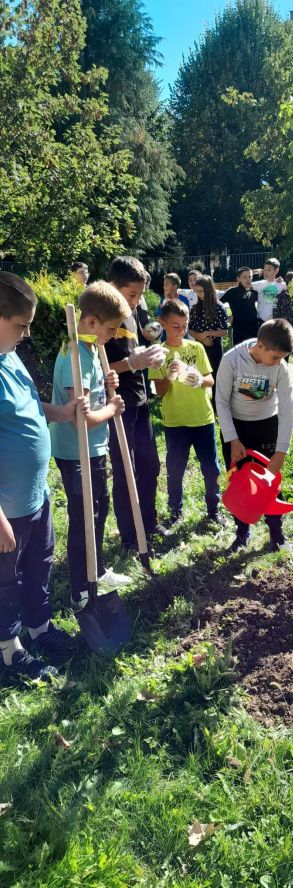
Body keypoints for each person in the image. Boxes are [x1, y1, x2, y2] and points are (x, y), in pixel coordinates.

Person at [0, 272, 87, 681]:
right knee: (5, 580)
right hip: (7, 507)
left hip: (35, 495)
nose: (27, 333)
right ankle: (9, 651)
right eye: (21, 325)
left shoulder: (10, 356)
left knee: (40, 563)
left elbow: (31, 405)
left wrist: (62, 413)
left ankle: (39, 627)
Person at [50, 281, 132, 610]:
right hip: (77, 450)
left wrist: (106, 381)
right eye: (111, 329)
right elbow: (79, 419)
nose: (113, 336)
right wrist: (112, 409)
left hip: (94, 448)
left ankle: (96, 571)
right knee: (84, 516)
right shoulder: (77, 355)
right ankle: (80, 587)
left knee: (99, 508)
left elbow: (93, 389)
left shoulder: (90, 350)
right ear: (92, 322)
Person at [216, 318, 293, 553]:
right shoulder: (231, 360)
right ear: (260, 346)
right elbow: (221, 402)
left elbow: (287, 409)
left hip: (267, 426)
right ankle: (242, 532)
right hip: (237, 430)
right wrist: (232, 439)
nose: (278, 362)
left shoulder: (280, 367)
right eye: (275, 357)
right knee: (239, 482)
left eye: (282, 358)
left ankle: (277, 534)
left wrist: (281, 451)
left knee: (270, 483)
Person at [106, 256, 167, 551]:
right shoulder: (101, 317)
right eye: (132, 295)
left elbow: (138, 348)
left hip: (141, 400)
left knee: (150, 465)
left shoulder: (132, 312)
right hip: (118, 405)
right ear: (112, 286)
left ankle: (149, 522)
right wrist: (131, 363)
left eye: (140, 295)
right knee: (125, 471)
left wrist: (152, 356)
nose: (135, 302)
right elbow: (96, 367)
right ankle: (130, 536)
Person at [149, 301, 222, 527]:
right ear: (163, 324)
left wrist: (200, 380)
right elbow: (159, 392)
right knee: (175, 470)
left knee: (211, 469)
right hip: (176, 421)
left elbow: (211, 379)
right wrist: (169, 377)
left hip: (202, 418)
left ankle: (214, 510)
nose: (181, 331)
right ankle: (175, 512)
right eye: (175, 326)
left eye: (184, 325)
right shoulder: (159, 354)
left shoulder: (196, 348)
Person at [189, 274, 228, 408]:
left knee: (215, 375)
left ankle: (216, 405)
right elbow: (190, 329)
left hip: (215, 347)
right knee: (199, 374)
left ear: (209, 290)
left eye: (202, 291)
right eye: (197, 291)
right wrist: (200, 337)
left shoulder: (219, 307)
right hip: (199, 347)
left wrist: (207, 334)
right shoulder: (195, 308)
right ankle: (200, 403)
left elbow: (224, 331)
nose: (199, 294)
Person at [222, 267, 259, 346]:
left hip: (253, 329)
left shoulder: (253, 292)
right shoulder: (232, 292)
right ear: (238, 279)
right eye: (244, 277)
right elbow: (218, 304)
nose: (248, 279)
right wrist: (227, 317)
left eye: (250, 277)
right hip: (239, 330)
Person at [252, 258, 286, 324]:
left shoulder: (282, 285)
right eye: (264, 269)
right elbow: (241, 284)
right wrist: (253, 272)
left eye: (269, 270)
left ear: (276, 271)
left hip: (276, 322)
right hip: (261, 321)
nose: (265, 272)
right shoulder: (258, 284)